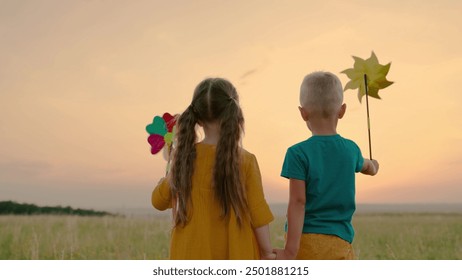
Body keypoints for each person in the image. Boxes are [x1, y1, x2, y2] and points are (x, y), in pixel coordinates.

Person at [152, 77, 275, 260]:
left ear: (198, 119)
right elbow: (258, 216)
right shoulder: (246, 161)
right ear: (233, 114)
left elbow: (158, 201)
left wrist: (170, 172)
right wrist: (267, 252)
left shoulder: (183, 160)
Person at [274, 71, 379, 260]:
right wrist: (373, 165)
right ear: (342, 110)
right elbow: (369, 167)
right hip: (340, 243)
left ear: (303, 113)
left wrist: (290, 251)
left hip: (305, 244)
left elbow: (298, 202)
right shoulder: (351, 150)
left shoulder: (297, 153)